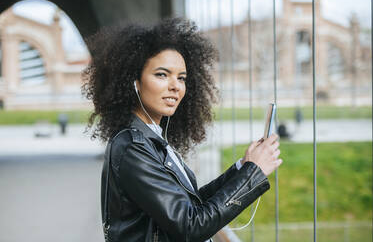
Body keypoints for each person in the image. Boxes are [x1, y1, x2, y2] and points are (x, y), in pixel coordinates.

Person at [82, 18, 282, 242]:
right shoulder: (134, 148)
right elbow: (191, 226)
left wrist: (242, 168)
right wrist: (253, 173)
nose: (175, 86)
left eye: (182, 78)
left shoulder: (149, 138)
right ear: (134, 81)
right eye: (162, 74)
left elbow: (191, 204)